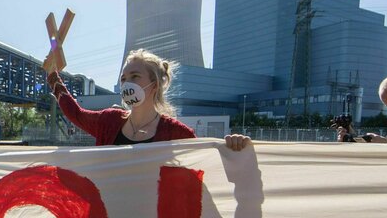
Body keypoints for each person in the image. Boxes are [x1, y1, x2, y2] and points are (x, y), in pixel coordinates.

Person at [47, 49, 251, 150]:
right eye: (124, 79)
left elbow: (202, 165)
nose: (127, 84)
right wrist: (54, 79)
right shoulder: (109, 121)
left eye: (135, 77)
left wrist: (233, 149)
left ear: (154, 84)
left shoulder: (176, 133)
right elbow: (76, 114)